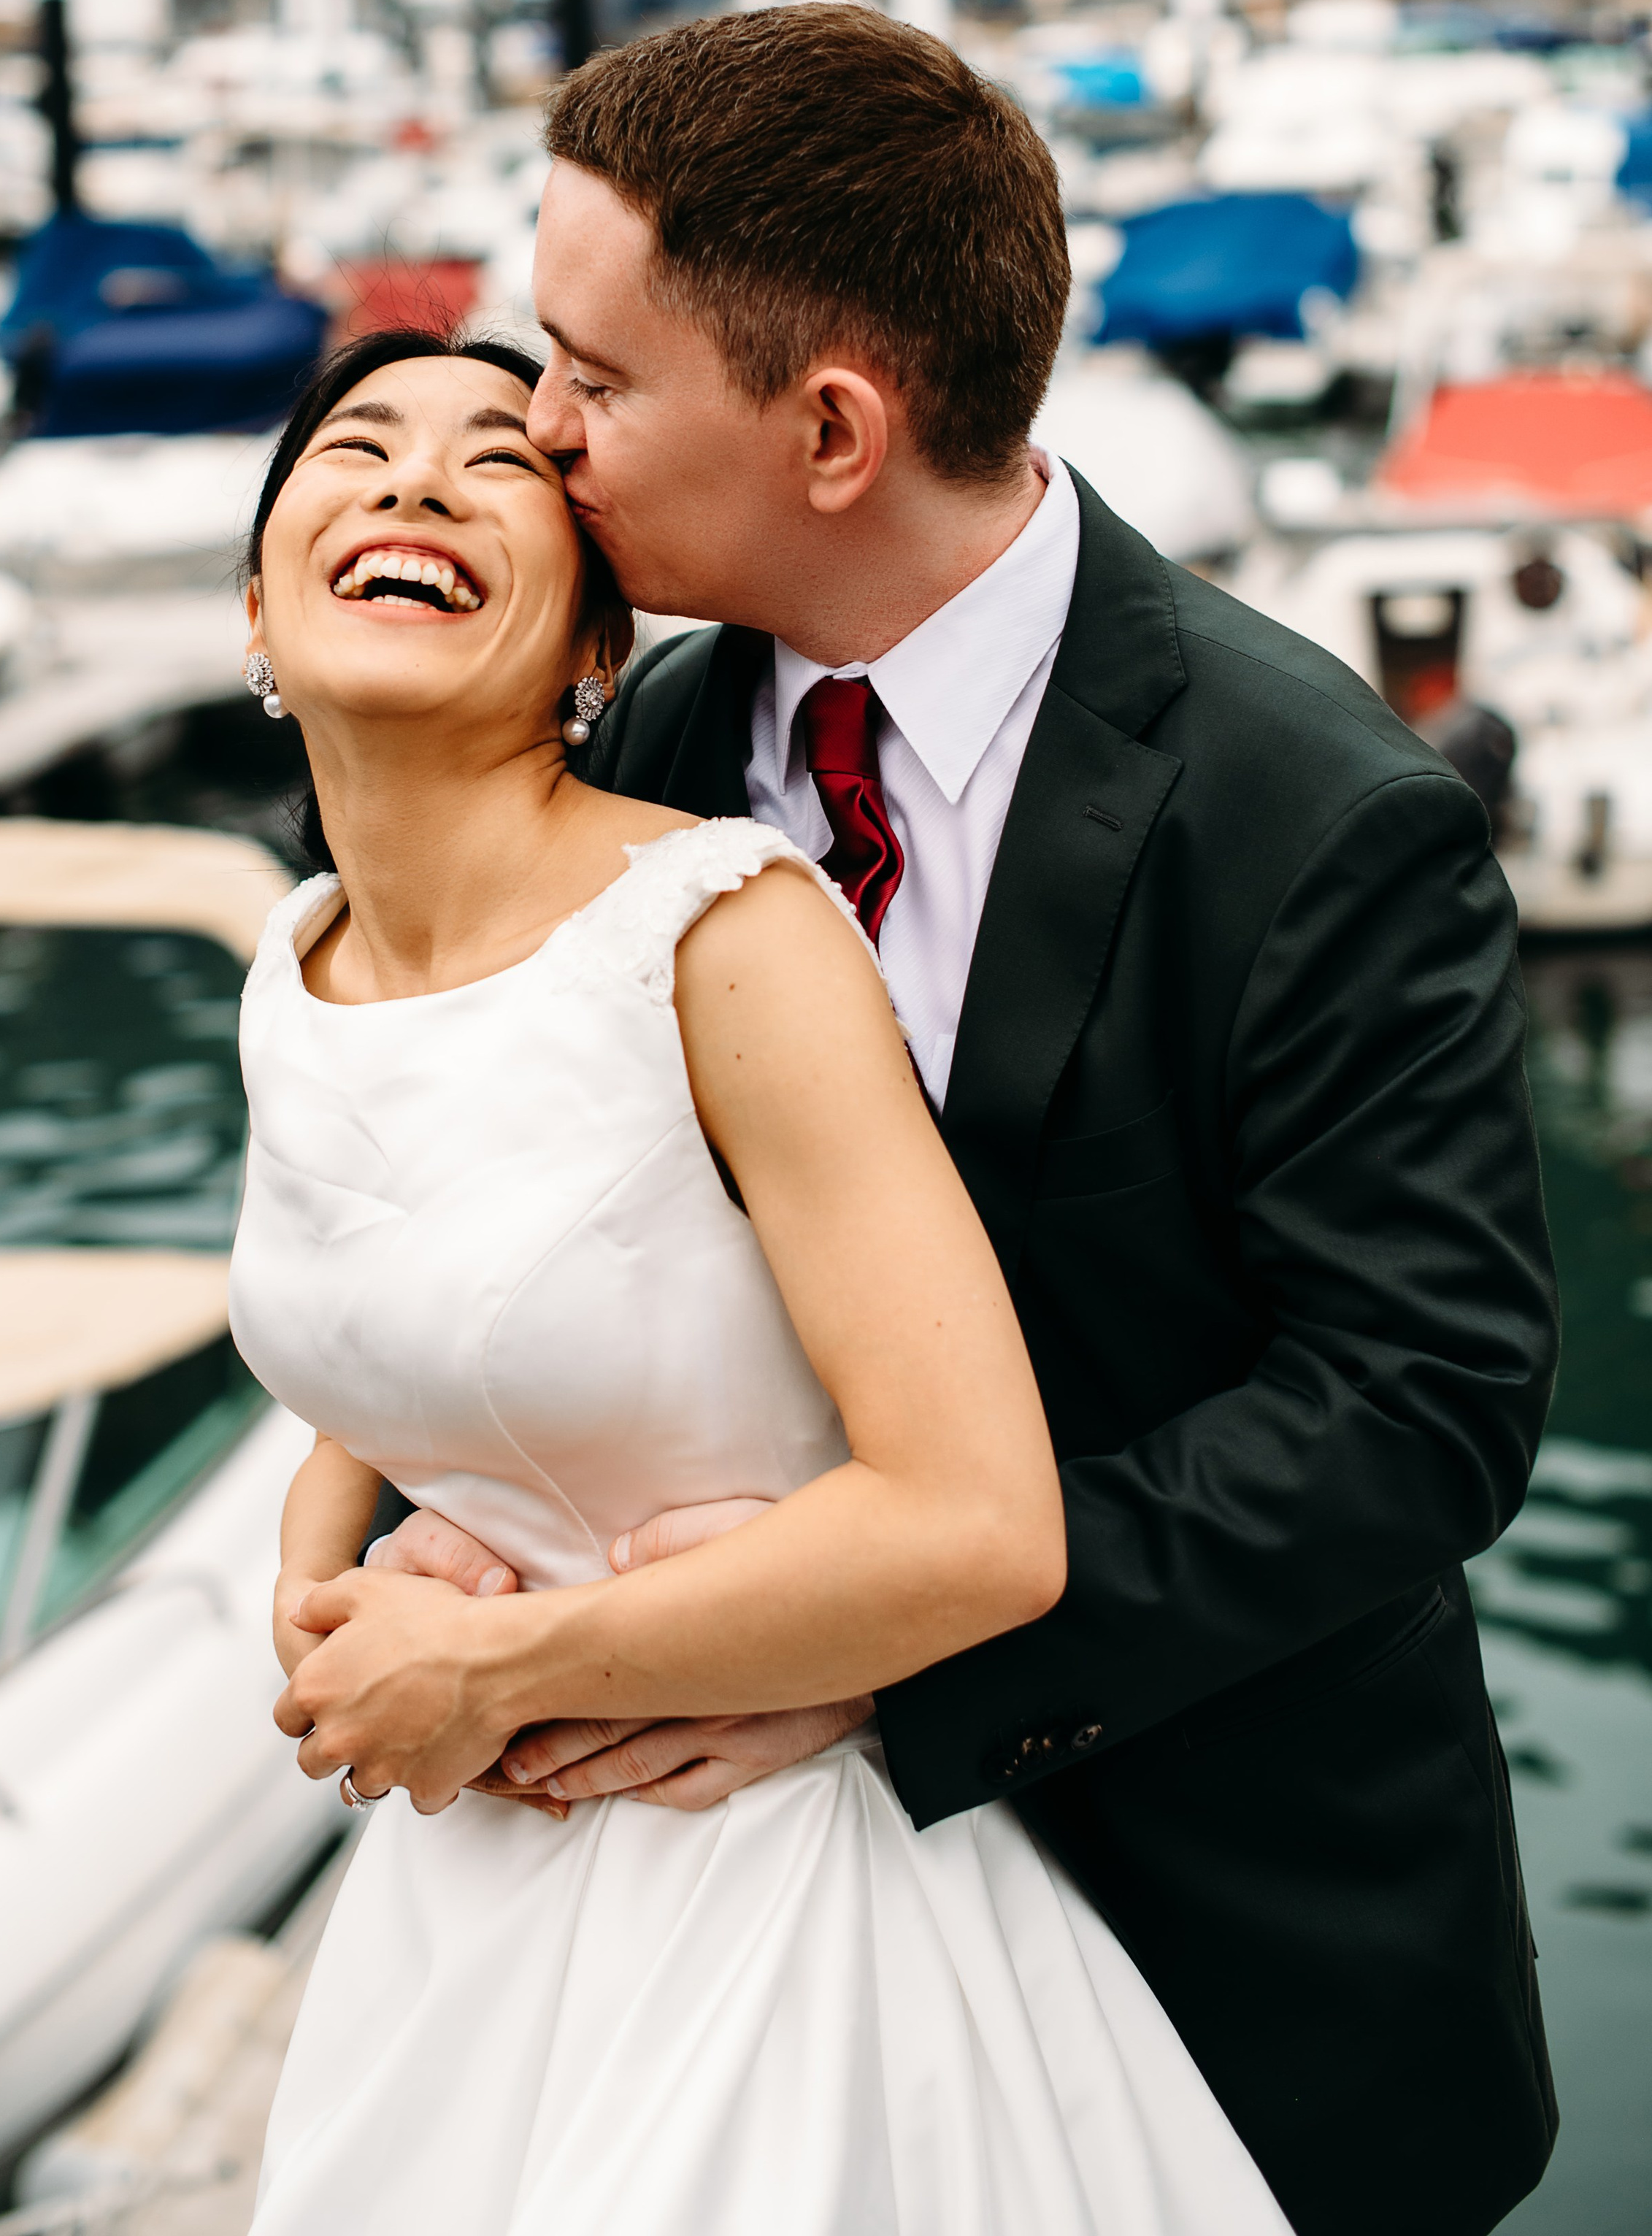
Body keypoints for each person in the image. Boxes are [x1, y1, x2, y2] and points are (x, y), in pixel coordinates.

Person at [374, 5, 1561, 2236]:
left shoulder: (1322, 817)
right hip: (728, 1990)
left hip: (1234, 1965)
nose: (543, 440)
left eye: (594, 377)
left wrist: (862, 1644)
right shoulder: (643, 742)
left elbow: (1422, 1409)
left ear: (832, 428)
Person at [230, 322, 1296, 2233]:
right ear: (252, 610)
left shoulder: (721, 932)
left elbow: (979, 1526)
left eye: (497, 457)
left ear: (592, 655)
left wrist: (490, 1656)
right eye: (359, 445)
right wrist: (337, 1585)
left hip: (762, 1889)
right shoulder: (296, 957)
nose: (414, 479)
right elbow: (350, 1345)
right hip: (467, 1903)